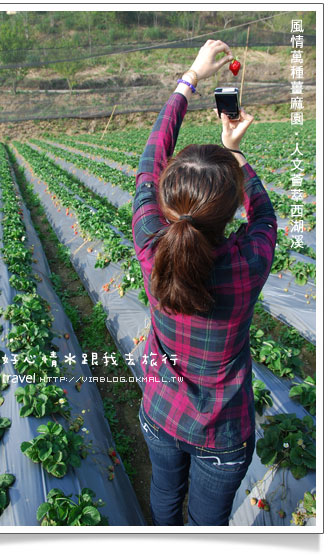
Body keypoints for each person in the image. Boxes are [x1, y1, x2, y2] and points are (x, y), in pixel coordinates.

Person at [132, 39, 277, 526]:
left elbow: (148, 161)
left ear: (165, 201)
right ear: (231, 209)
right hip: (221, 434)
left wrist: (189, 78)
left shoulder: (153, 248)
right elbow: (265, 216)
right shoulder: (247, 265)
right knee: (207, 526)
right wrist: (235, 154)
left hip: (159, 414)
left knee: (165, 498)